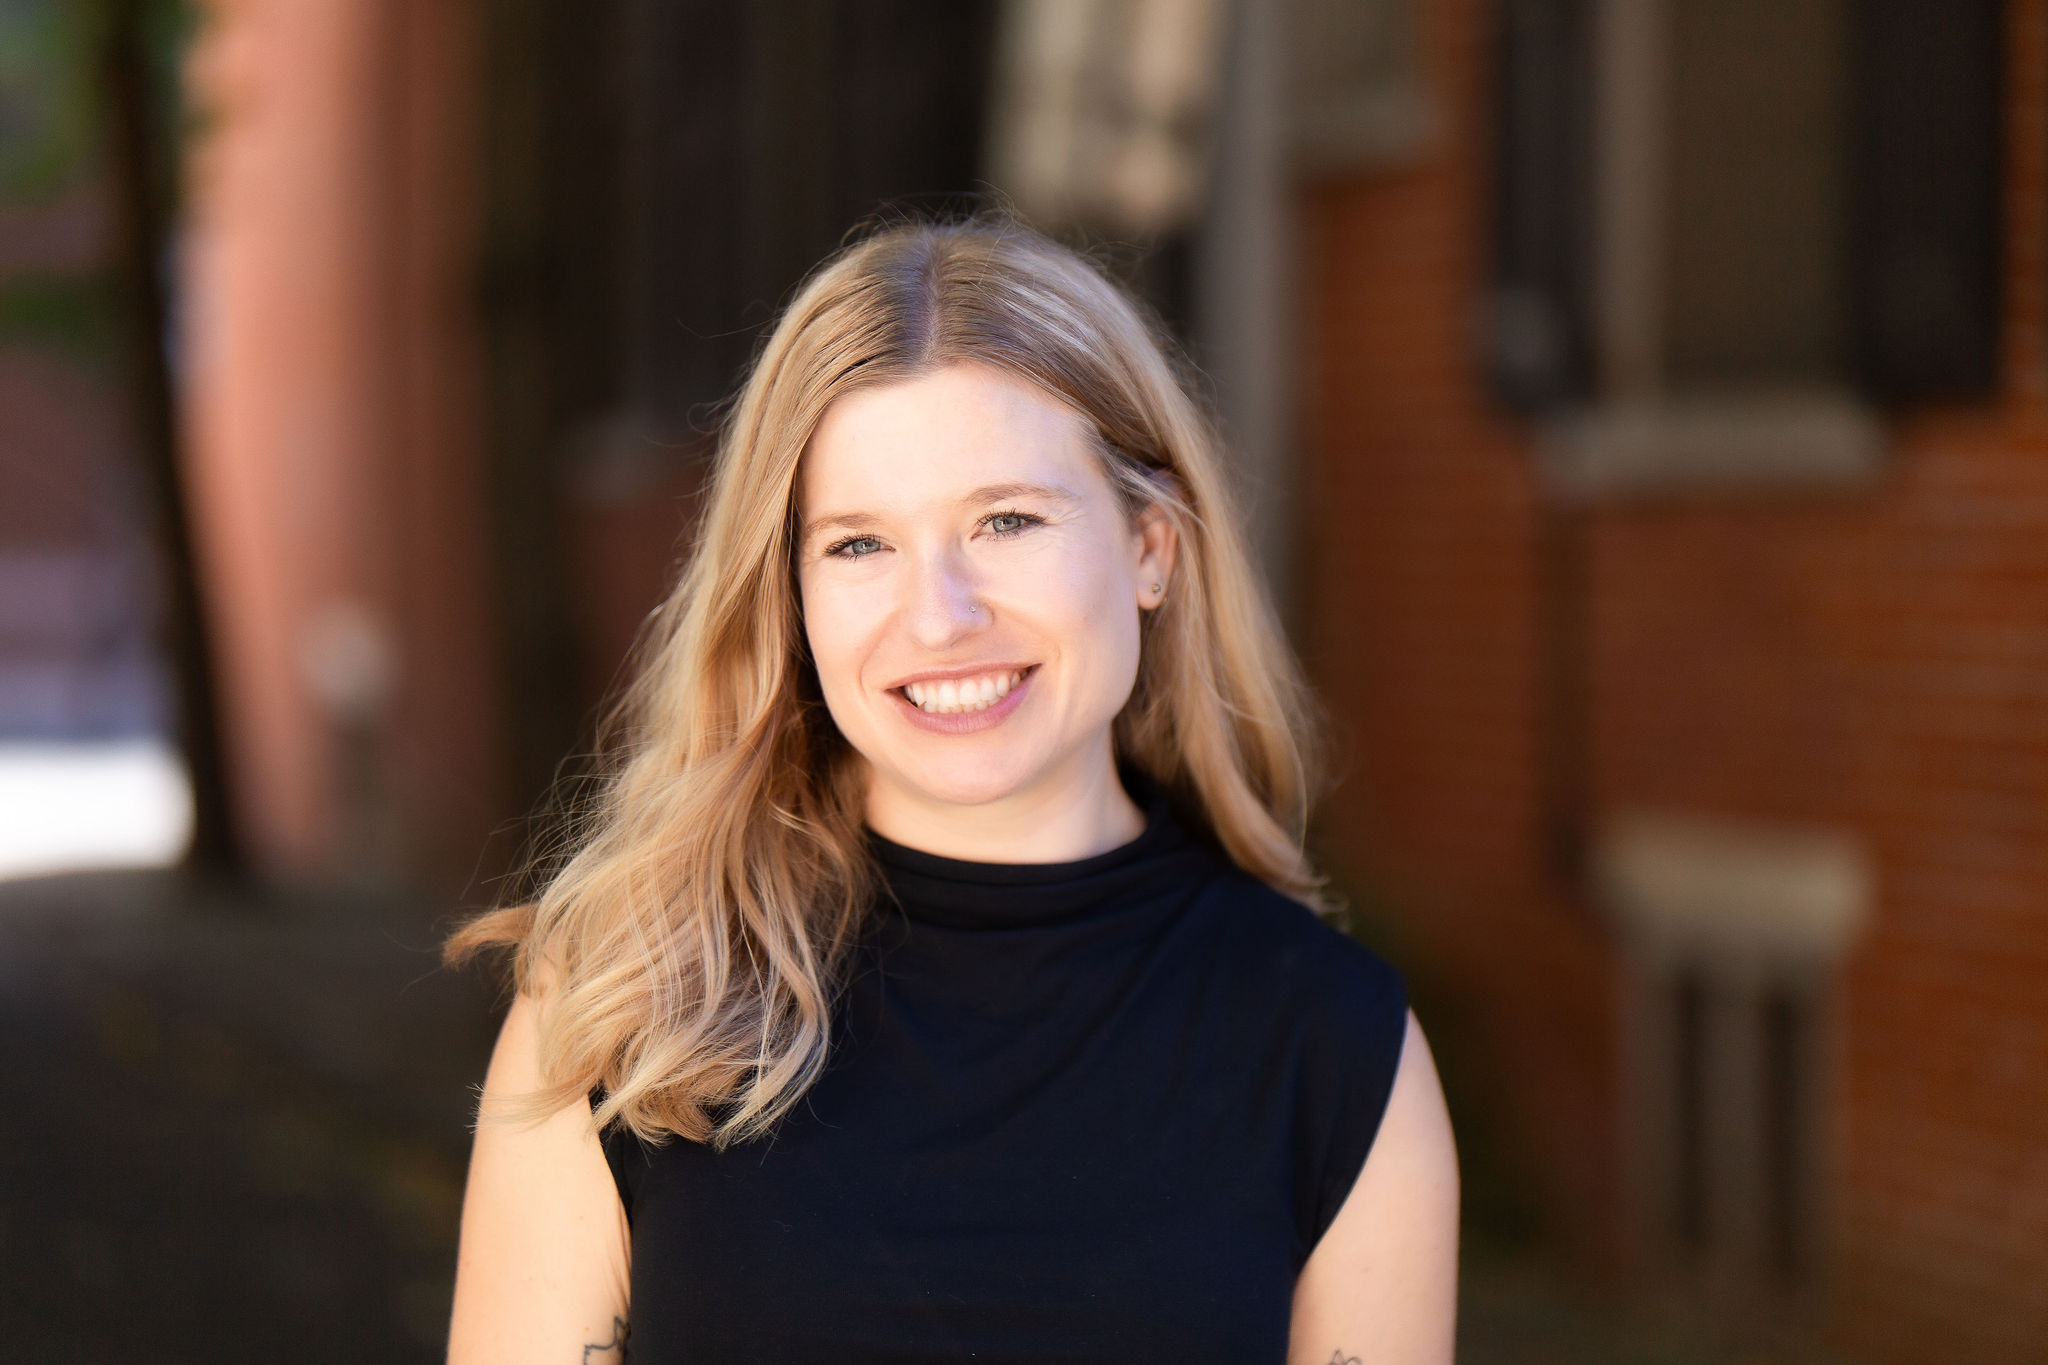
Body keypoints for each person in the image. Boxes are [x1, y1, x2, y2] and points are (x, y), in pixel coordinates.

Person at [444, 217, 1459, 1364]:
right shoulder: (626, 1008)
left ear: (1151, 548)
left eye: (1006, 521)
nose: (939, 617)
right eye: (858, 545)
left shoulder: (1331, 1044)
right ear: (789, 594)